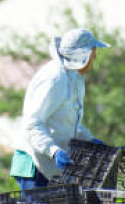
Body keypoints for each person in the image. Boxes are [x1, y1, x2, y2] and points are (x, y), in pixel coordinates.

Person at [10, 28, 110, 193]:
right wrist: (53, 150)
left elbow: (68, 123)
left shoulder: (75, 78)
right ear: (81, 56)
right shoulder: (55, 79)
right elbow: (32, 124)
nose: (95, 58)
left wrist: (89, 140)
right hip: (33, 162)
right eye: (92, 54)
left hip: (51, 164)